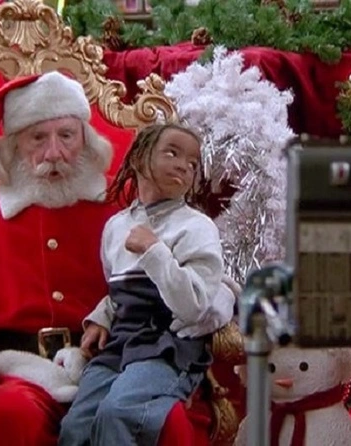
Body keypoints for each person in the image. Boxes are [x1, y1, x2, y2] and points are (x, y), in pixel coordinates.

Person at [0, 72, 234, 446]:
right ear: (13, 145)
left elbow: (193, 249)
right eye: (38, 137)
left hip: (121, 357)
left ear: (86, 139)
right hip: (17, 369)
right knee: (12, 411)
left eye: (66, 135)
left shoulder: (129, 203)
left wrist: (216, 295)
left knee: (161, 418)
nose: (54, 153)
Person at [58, 122, 225, 446]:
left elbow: (193, 306)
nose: (184, 166)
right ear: (138, 158)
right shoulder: (116, 227)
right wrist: (102, 317)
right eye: (172, 153)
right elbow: (118, 291)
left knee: (118, 412)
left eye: (193, 163)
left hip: (168, 345)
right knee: (76, 425)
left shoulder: (197, 227)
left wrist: (154, 251)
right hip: (120, 342)